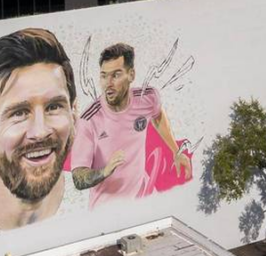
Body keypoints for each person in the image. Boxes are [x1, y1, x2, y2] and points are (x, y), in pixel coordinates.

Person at [0, 28, 77, 232]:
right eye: (19, 113)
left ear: (74, 116)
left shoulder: (102, 200)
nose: (40, 132)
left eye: (53, 107)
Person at [71, 43, 191, 208]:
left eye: (116, 75)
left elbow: (158, 116)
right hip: (105, 212)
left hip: (140, 203)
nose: (108, 83)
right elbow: (78, 177)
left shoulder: (147, 98)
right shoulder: (89, 120)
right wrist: (104, 171)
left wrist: (175, 152)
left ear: (131, 75)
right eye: (104, 76)